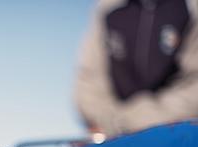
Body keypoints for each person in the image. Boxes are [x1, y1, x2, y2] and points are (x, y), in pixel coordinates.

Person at [74, 0, 198, 137]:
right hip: (115, 139)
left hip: (179, 137)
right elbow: (89, 80)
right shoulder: (108, 7)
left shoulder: (191, 7)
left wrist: (142, 119)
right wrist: (113, 123)